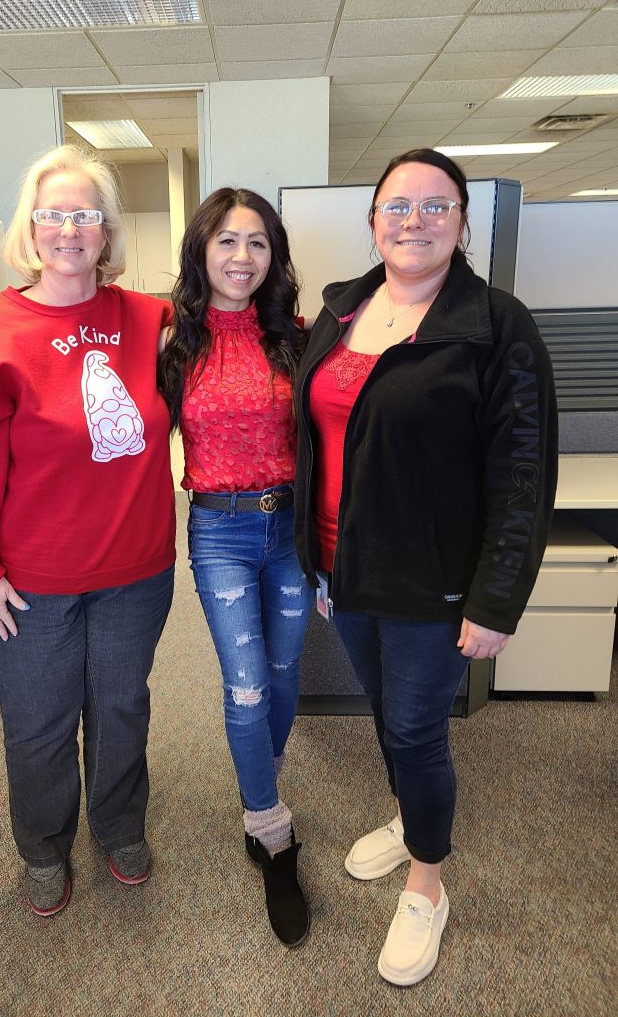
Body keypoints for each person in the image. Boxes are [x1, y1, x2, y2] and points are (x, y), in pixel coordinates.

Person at [293, 148, 557, 984]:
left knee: (415, 728)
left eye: (435, 206)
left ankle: (427, 885)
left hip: (433, 579)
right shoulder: (341, 311)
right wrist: (317, 560)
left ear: (462, 222)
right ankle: (410, 819)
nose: (415, 221)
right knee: (383, 711)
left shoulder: (496, 324)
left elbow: (523, 474)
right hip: (347, 565)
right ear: (373, 220)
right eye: (398, 206)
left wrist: (496, 599)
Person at [0, 145, 176, 917]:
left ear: (107, 232)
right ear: (31, 229)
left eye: (86, 215)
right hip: (29, 583)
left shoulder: (147, 318)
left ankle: (119, 825)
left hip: (135, 570)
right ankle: (42, 847)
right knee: (38, 725)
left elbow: (240, 322)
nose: (70, 230)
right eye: (54, 215)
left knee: (121, 707)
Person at [158, 188, 312, 947]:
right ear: (201, 251)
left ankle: (262, 776)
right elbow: (131, 444)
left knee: (283, 678)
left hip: (288, 530)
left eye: (257, 243)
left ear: (273, 256)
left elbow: (329, 448)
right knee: (246, 683)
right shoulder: (174, 342)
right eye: (226, 241)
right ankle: (269, 827)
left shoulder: (297, 338)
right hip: (219, 532)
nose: (242, 258)